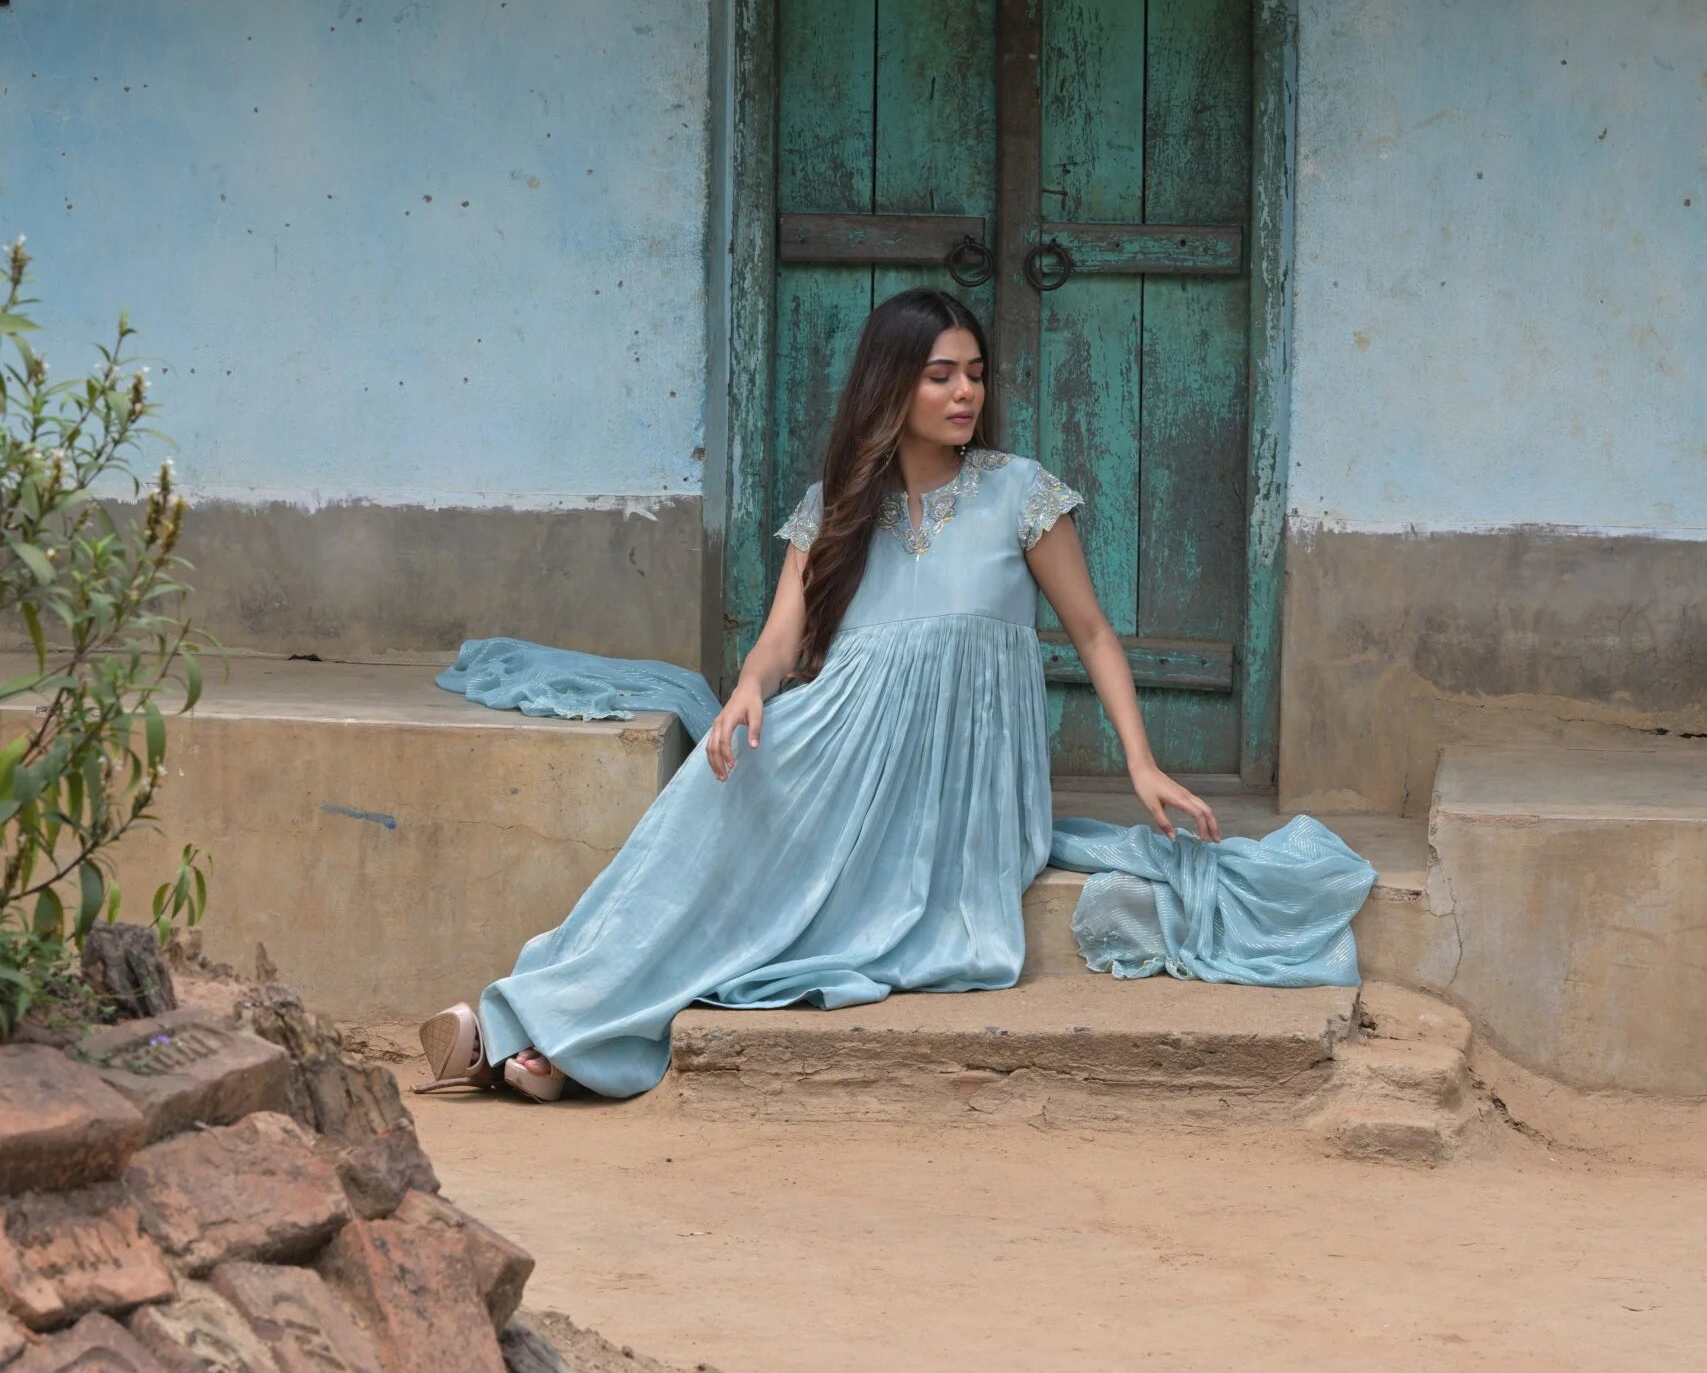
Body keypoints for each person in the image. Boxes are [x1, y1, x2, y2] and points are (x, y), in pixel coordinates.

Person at [418, 290, 1253, 1103]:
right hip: (841, 731)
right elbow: (782, 637)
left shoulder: (1021, 491)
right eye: (938, 375)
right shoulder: (835, 508)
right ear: (890, 384)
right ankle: (543, 1021)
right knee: (708, 809)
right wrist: (749, 688)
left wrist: (1141, 764)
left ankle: (534, 1033)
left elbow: (1094, 633)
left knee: (779, 895)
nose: (964, 392)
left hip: (960, 774)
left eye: (975, 373)